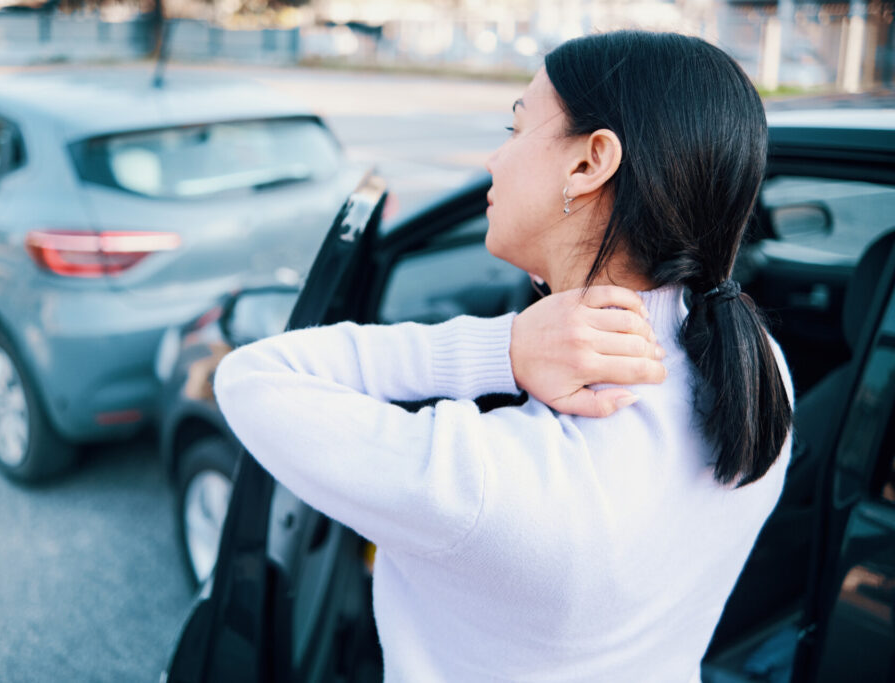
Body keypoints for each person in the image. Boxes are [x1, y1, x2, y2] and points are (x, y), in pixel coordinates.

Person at [214, 30, 793, 683]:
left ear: (589, 163)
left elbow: (251, 376)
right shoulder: (762, 372)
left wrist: (502, 347)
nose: (495, 158)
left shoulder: (484, 480)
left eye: (515, 128)